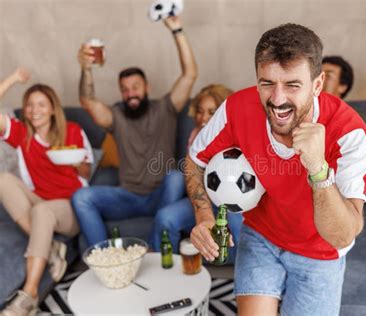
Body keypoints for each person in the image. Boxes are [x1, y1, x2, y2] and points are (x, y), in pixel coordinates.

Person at [185, 24, 366, 315]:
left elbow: (342, 235)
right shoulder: (237, 108)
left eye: (292, 85)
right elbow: (194, 160)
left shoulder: (350, 134)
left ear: (318, 84)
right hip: (261, 237)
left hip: (320, 253)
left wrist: (318, 169)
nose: (277, 99)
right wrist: (204, 216)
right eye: (267, 83)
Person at [72, 15, 198, 251]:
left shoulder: (165, 109)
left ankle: (152, 251)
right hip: (128, 197)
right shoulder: (116, 116)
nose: (131, 93)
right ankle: (106, 259)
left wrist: (177, 30)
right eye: (125, 89)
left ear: (147, 88)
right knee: (81, 197)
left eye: (136, 87)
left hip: (162, 196)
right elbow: (87, 100)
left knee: (174, 177)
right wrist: (85, 69)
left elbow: (189, 74)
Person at [0, 69, 93, 316]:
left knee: (42, 210)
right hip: (41, 202)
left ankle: (29, 295)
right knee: (4, 180)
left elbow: (86, 172)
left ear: (53, 108)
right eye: (29, 105)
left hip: (70, 208)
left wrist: (75, 163)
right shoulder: (22, 135)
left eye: (41, 104)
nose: (34, 110)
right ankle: (50, 248)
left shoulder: (73, 130)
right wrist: (12, 80)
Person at [153, 84, 243, 263]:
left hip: (232, 201)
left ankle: (235, 268)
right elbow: (193, 177)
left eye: (211, 112)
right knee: (165, 218)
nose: (203, 118)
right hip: (204, 200)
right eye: (200, 111)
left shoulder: (238, 133)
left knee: (237, 224)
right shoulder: (196, 135)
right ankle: (162, 265)